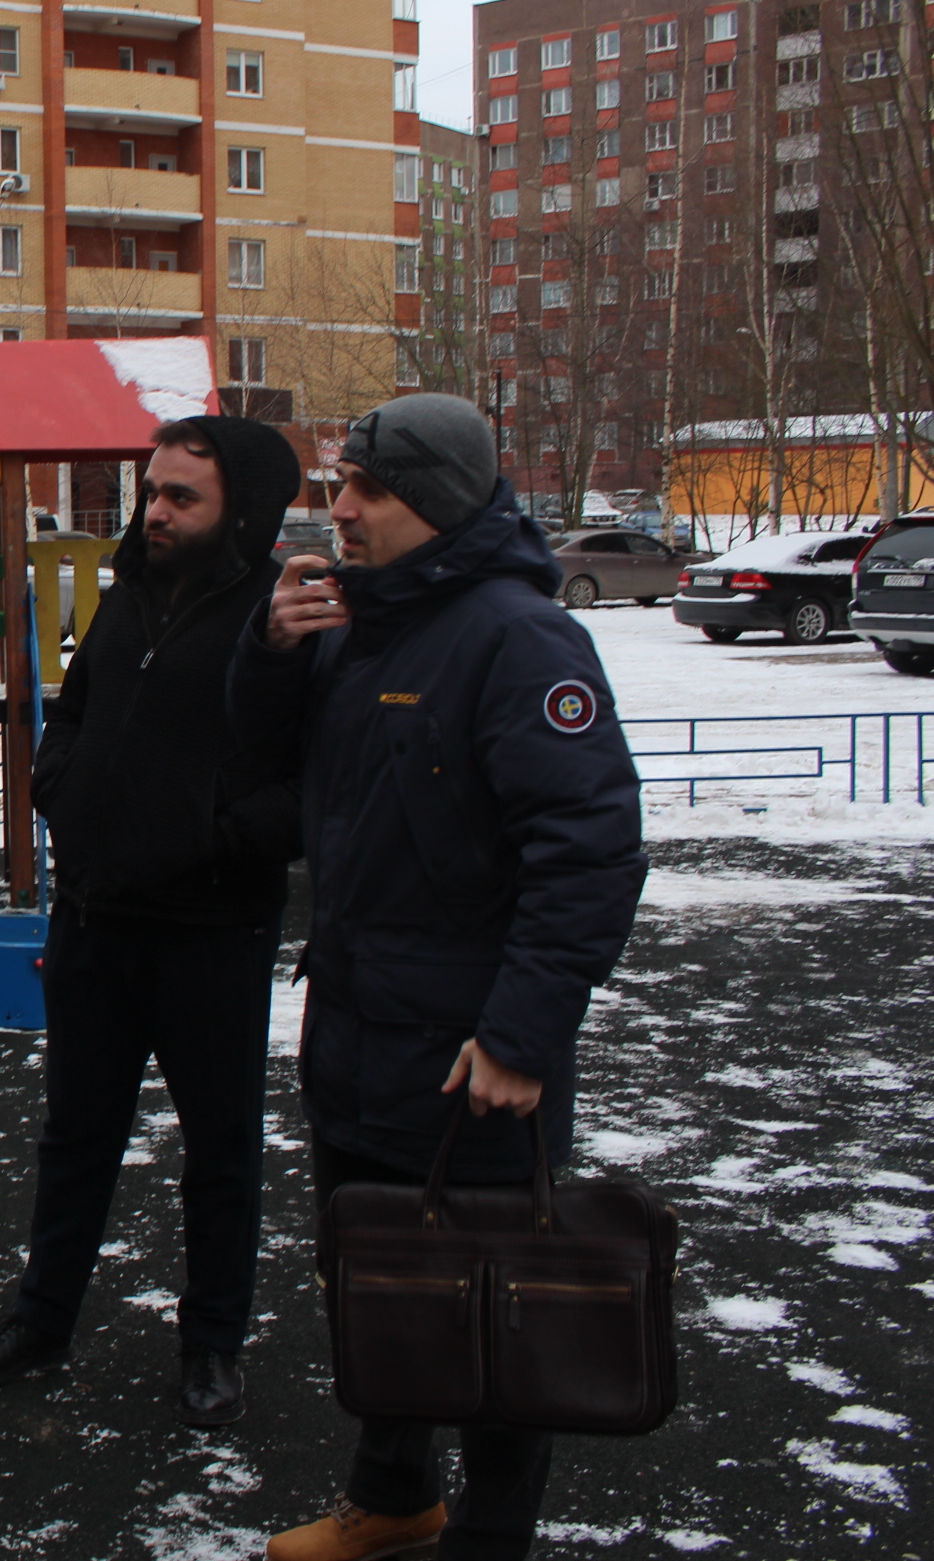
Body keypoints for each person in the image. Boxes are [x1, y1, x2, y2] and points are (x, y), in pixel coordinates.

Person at [227, 394, 647, 1561]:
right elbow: (266, 767)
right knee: (381, 1286)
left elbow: (591, 851)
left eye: (368, 490)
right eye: (340, 485)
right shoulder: (361, 621)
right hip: (358, 1029)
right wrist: (271, 652)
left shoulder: (519, 638)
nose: (340, 510)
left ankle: (492, 1537)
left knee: (494, 1312)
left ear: (440, 502)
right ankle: (394, 1495)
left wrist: (522, 1035)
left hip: (470, 1053)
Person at [0, 414, 305, 1425]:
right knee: (76, 1135)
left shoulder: (280, 618)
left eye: (181, 496)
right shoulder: (131, 593)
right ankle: (42, 1319)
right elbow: (74, 712)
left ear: (241, 509)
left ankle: (213, 1344)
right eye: (153, 491)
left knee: (221, 1149)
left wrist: (209, 837)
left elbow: (310, 783)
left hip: (211, 929)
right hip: (96, 920)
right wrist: (60, 786)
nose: (155, 512)